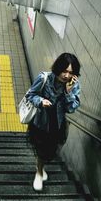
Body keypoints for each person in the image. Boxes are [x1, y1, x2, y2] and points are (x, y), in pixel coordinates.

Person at [26, 53, 81, 191]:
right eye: (64, 71)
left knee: (50, 150)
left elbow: (71, 109)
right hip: (41, 122)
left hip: (57, 124)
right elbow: (30, 95)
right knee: (41, 149)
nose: (67, 76)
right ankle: (38, 172)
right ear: (58, 67)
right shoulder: (44, 78)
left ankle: (41, 167)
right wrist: (40, 101)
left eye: (70, 72)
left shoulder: (73, 85)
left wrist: (68, 93)